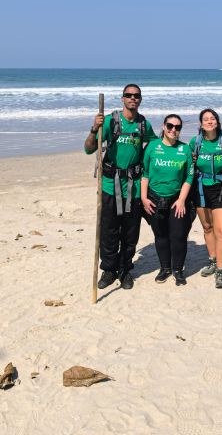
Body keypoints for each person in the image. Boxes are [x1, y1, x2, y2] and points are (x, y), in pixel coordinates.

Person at [84, 84, 156, 290]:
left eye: (136, 96)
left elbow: (156, 146)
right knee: (108, 231)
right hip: (109, 185)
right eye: (128, 95)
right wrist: (93, 129)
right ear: (122, 99)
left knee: (130, 232)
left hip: (133, 188)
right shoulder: (110, 122)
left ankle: (125, 270)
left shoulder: (144, 125)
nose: (132, 98)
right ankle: (109, 270)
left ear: (140, 99)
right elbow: (89, 148)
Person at [141, 114, 195, 286]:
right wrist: (143, 198)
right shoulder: (152, 146)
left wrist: (181, 200)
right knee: (161, 235)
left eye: (177, 127)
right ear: (164, 126)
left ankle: (178, 270)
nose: (173, 130)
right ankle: (165, 269)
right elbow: (145, 174)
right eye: (170, 126)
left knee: (178, 235)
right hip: (154, 198)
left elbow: (189, 177)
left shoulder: (185, 149)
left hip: (176, 199)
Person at [189, 109, 222, 289]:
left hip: (221, 188)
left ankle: (221, 270)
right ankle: (213, 261)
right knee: (208, 227)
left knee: (221, 231)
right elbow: (189, 160)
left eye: (212, 118)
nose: (209, 121)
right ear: (201, 124)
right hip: (200, 188)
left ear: (217, 122)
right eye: (205, 119)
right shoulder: (195, 142)